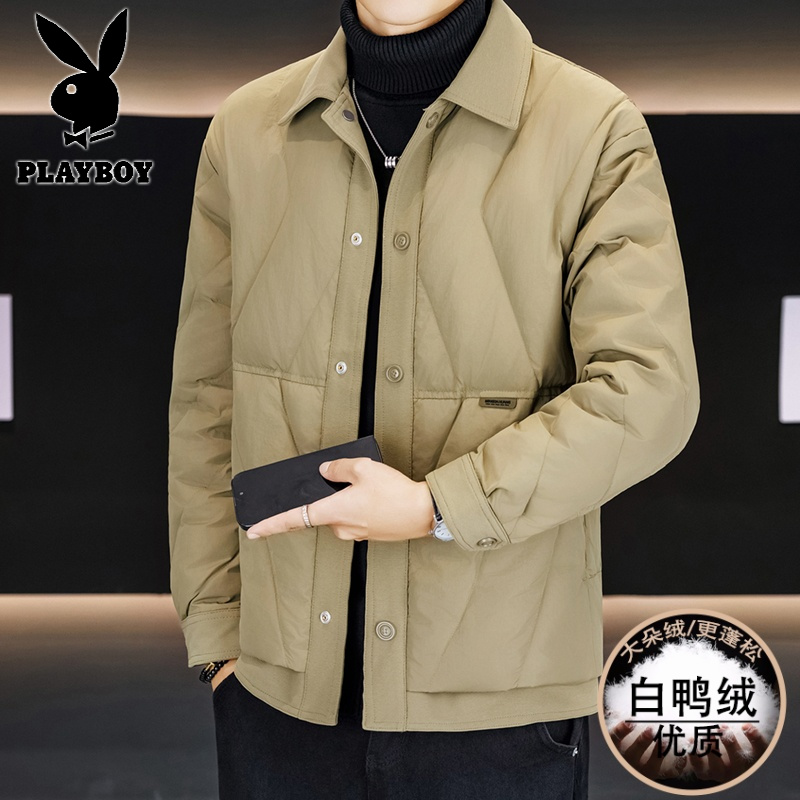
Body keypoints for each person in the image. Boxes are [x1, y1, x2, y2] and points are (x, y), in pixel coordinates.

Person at [167, 0, 701, 797]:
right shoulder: (247, 131)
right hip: (276, 699)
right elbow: (207, 399)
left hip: (496, 709)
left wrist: (438, 505)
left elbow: (648, 388)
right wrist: (219, 639)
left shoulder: (590, 127)